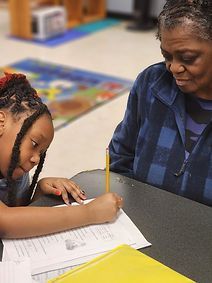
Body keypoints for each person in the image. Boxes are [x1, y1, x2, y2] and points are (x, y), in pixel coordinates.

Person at [109, 0, 212, 206]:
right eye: (167, 56)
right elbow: (121, 155)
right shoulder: (151, 82)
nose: (173, 67)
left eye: (188, 58)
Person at [0, 72, 123, 239]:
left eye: (41, 153)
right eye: (34, 144)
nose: (36, 159)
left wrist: (40, 192)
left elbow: (20, 215)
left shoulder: (16, 174)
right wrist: (89, 212)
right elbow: (6, 222)